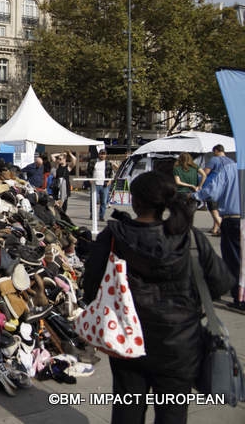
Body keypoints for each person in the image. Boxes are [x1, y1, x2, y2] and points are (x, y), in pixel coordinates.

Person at [83, 171, 234, 424]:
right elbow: (220, 283)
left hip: (126, 340)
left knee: (127, 412)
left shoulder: (114, 237)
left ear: (135, 201)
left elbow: (90, 287)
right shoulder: (191, 238)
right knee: (172, 414)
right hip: (180, 343)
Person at [194, 147, 243, 310]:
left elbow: (212, 192)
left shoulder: (229, 169)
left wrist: (194, 195)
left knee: (235, 260)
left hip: (234, 219)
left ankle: (240, 298)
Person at [201, 144, 230, 236]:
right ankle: (215, 228)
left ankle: (223, 229)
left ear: (216, 151)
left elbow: (205, 172)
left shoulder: (214, 159)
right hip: (226, 188)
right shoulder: (231, 161)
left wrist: (200, 183)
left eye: (214, 152)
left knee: (213, 208)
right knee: (219, 209)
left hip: (213, 187)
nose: (213, 153)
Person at [86, 149, 115, 220]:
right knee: (93, 201)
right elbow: (88, 172)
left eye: (104, 154)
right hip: (95, 184)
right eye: (101, 154)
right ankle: (92, 215)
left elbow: (111, 173)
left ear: (106, 155)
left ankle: (101, 216)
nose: (102, 155)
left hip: (104, 185)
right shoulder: (93, 161)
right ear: (99, 154)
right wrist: (90, 180)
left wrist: (109, 181)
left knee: (104, 202)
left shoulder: (108, 163)